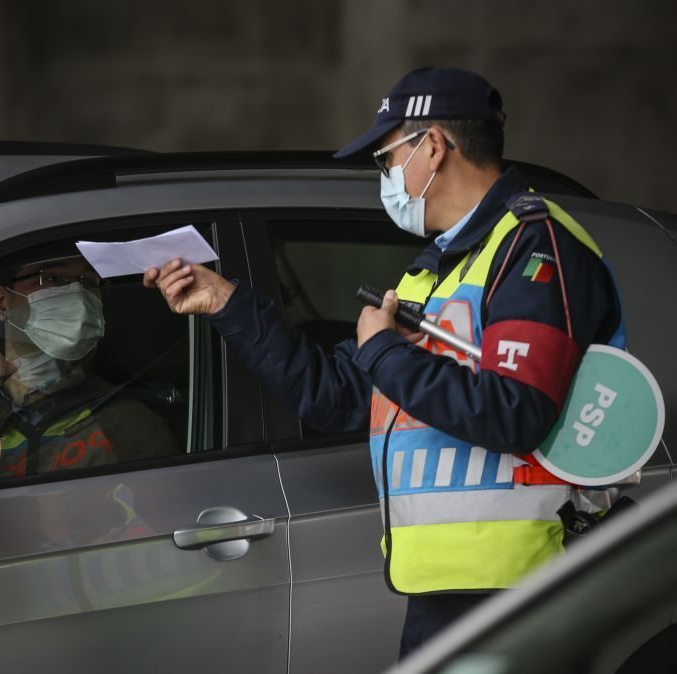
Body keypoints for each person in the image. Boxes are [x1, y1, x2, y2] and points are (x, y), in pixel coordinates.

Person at [144, 67, 625, 658]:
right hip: (446, 590)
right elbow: (336, 394)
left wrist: (384, 350)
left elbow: (515, 412)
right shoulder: (435, 270)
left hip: (524, 591)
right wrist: (225, 302)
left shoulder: (535, 250)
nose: (386, 177)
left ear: (433, 145)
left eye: (385, 158)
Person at [0, 254, 177, 481]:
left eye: (89, 281)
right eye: (53, 279)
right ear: (1, 303)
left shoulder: (128, 423)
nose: (77, 294)